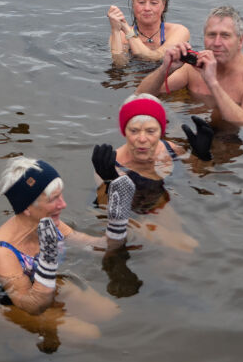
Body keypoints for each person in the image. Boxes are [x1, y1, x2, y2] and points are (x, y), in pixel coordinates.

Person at [0, 157, 134, 319]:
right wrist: (47, 264)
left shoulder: (51, 224)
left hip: (44, 287)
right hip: (0, 305)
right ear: (27, 207)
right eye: (53, 199)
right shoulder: (2, 253)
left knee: (111, 312)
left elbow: (98, 248)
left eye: (61, 196)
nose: (63, 204)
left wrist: (117, 224)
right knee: (88, 334)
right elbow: (32, 306)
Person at [90, 93, 211, 252]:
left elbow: (200, 176)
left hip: (167, 202)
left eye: (150, 131)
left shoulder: (171, 149)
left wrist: (203, 157)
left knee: (194, 245)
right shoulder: (111, 165)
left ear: (161, 131)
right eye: (134, 131)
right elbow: (108, 212)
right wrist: (110, 182)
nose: (142, 139)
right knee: (185, 247)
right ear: (124, 131)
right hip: (137, 215)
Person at [135, 6, 243, 127]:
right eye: (212, 35)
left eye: (225, 36)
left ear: (240, 41)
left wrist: (212, 82)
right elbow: (140, 96)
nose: (217, 42)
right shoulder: (192, 68)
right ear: (204, 37)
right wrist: (165, 70)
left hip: (234, 137)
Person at [107, 0, 190, 66]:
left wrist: (127, 29)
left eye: (154, 3)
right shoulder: (122, 36)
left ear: (164, 4)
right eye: (141, 2)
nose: (147, 8)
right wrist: (115, 30)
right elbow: (119, 64)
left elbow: (155, 57)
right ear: (133, 3)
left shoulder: (178, 31)